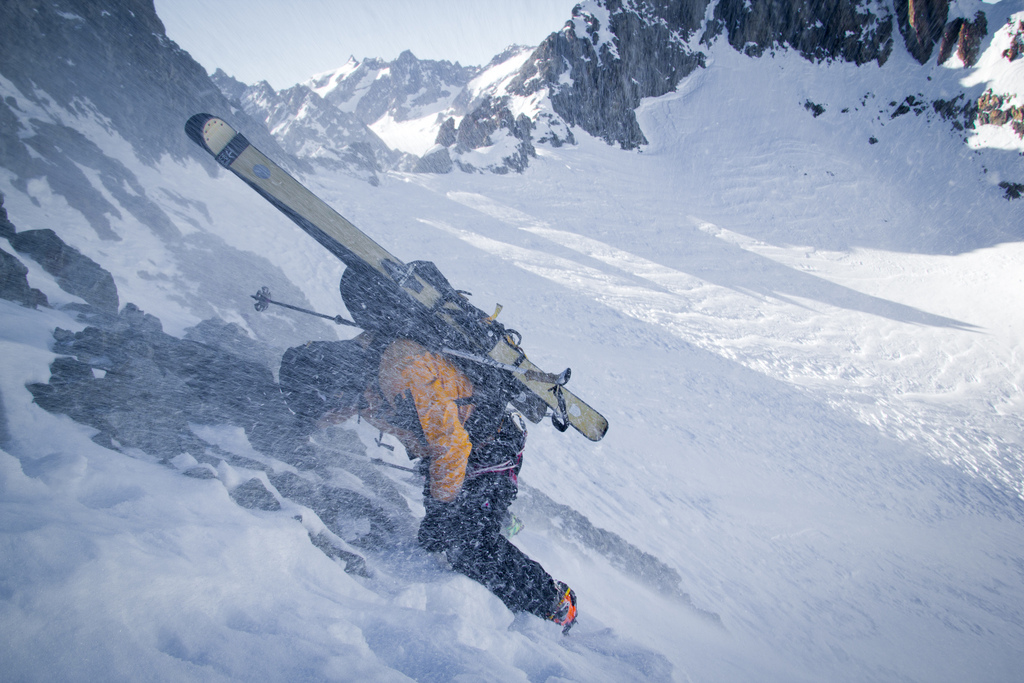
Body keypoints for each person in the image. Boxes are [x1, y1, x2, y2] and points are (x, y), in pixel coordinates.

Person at [280, 331, 578, 632]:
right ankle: (491, 514)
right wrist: (302, 427)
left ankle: (554, 601)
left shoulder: (402, 372)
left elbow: (452, 446)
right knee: (437, 537)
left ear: (333, 385)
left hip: (488, 447)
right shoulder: (356, 366)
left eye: (328, 403)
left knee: (465, 545)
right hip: (460, 451)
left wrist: (441, 507)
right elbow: (338, 406)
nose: (334, 412)